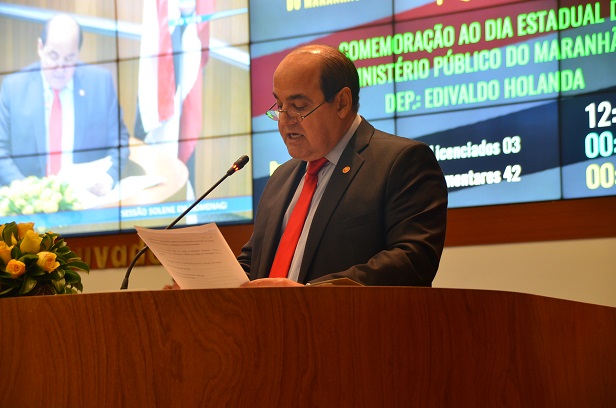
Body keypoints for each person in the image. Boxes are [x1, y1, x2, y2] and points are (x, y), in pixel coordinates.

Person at [238, 44, 448, 288]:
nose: (284, 120)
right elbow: (254, 263)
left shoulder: (401, 162)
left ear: (342, 103)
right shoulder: (281, 177)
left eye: (299, 107)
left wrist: (309, 295)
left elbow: (413, 260)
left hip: (345, 314)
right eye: (279, 106)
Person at [0, 14, 130, 196]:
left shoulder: (100, 84)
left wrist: (108, 178)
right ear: (40, 48)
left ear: (78, 53)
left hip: (86, 200)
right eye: (53, 56)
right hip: (29, 202)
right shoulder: (14, 88)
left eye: (69, 59)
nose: (60, 69)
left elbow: (119, 141)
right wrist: (27, 192)